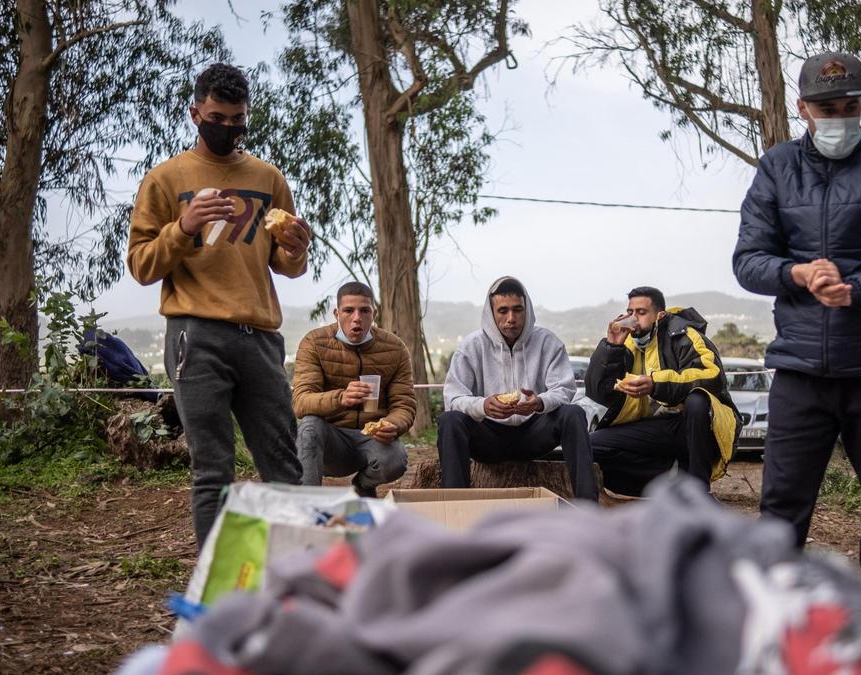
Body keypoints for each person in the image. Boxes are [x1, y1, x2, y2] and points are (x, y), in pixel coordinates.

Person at [732, 52, 861, 587]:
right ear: (802, 107)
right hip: (800, 372)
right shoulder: (776, 167)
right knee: (779, 518)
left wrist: (858, 290)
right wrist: (798, 274)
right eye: (827, 108)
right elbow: (748, 261)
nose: (840, 118)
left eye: (851, 106)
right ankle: (776, 637)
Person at [127, 63, 313, 547]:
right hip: (197, 336)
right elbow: (142, 265)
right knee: (213, 469)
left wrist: (296, 250)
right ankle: (214, 588)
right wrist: (184, 227)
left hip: (260, 338)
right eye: (217, 116)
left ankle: (294, 574)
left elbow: (284, 263)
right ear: (195, 113)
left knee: (284, 463)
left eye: (237, 119)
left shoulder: (267, 177)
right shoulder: (166, 179)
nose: (227, 127)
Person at [438, 276, 598, 500]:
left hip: (534, 434)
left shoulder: (547, 342)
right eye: (503, 311)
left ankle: (587, 507)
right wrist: (482, 405)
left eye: (517, 310)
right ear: (491, 313)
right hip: (488, 436)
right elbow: (453, 397)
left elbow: (565, 389)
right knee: (450, 421)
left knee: (573, 414)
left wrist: (540, 402)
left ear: (527, 309)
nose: (511, 318)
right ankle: (455, 508)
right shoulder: (472, 346)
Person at [584, 287, 740, 497]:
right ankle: (671, 477)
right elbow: (598, 391)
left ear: (660, 315)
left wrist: (656, 384)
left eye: (641, 312)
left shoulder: (684, 334)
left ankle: (698, 493)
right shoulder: (626, 343)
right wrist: (611, 346)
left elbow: (713, 376)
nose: (633, 318)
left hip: (696, 425)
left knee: (697, 400)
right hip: (657, 427)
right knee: (590, 445)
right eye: (630, 312)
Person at [292, 281, 415, 498]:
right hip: (331, 440)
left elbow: (404, 403)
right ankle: (307, 503)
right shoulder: (314, 342)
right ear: (337, 313)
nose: (356, 318)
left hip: (372, 439)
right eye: (349, 310)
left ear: (373, 313)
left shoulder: (394, 348)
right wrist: (341, 397)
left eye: (364, 311)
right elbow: (301, 402)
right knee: (310, 426)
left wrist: (393, 425)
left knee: (395, 459)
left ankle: (363, 486)